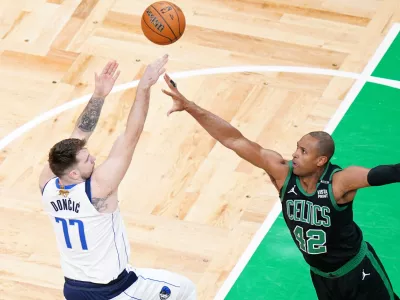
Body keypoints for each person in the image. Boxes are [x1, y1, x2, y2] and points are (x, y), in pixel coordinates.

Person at [161, 73, 399, 300]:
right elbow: (233, 139)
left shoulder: (340, 182)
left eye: (303, 152)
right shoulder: (283, 174)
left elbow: (388, 173)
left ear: (321, 161)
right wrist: (190, 106)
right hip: (322, 277)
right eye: (297, 147)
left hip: (358, 272)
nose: (294, 154)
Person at [39, 57, 196, 300]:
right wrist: (144, 87)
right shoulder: (99, 189)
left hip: (73, 289)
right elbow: (131, 135)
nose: (93, 159)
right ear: (73, 173)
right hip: (114, 290)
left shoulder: (48, 183)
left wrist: (99, 95)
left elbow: (79, 133)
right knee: (184, 289)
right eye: (87, 160)